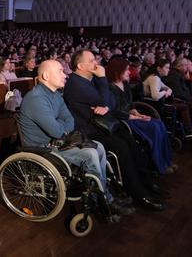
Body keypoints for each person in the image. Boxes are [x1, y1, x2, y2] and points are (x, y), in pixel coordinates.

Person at [19, 60, 134, 216]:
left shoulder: (55, 94)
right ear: (46, 76)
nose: (65, 75)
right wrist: (61, 125)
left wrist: (61, 125)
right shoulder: (36, 99)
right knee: (90, 153)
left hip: (58, 143)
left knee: (98, 146)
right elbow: (57, 131)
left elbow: (69, 119)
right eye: (60, 71)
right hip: (42, 149)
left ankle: (103, 193)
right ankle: (103, 199)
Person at [63, 49, 166, 211]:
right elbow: (104, 100)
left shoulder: (90, 79)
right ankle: (138, 193)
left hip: (103, 125)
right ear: (80, 65)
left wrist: (104, 103)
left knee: (130, 141)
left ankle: (146, 182)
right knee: (122, 148)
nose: (96, 63)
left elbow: (110, 103)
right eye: (91, 61)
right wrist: (103, 80)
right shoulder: (75, 83)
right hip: (89, 131)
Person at [106, 57, 177, 175]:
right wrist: (136, 117)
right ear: (117, 71)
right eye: (126, 70)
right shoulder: (109, 88)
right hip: (122, 121)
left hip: (131, 117)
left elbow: (130, 103)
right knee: (154, 128)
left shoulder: (125, 83)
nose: (129, 72)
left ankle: (166, 161)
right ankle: (158, 165)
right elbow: (114, 111)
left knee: (159, 124)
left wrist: (138, 113)